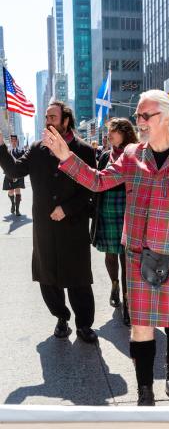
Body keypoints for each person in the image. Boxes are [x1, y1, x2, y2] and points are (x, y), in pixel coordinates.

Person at [43, 90, 169, 406]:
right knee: (141, 326)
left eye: (146, 116)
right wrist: (66, 158)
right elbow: (99, 180)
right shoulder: (131, 155)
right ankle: (145, 393)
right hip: (139, 256)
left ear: (167, 119)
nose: (139, 122)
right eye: (138, 116)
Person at [0, 101, 97, 343]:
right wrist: (1, 145)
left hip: (73, 226)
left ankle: (84, 324)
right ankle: (61, 318)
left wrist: (67, 208)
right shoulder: (36, 149)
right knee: (48, 279)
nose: (48, 121)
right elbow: (13, 171)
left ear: (65, 121)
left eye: (53, 117)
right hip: (44, 229)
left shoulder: (84, 150)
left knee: (79, 280)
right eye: (46, 117)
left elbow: (91, 189)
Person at [91, 118, 138, 326]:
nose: (108, 135)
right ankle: (114, 284)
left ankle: (128, 302)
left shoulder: (136, 154)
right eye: (109, 132)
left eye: (113, 132)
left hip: (128, 210)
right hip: (108, 210)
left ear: (125, 133)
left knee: (127, 258)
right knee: (111, 254)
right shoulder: (104, 156)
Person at [2, 134, 25, 216]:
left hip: (18, 173)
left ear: (17, 141)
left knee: (17, 190)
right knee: (11, 192)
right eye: (12, 140)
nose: (14, 142)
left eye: (15, 140)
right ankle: (13, 203)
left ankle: (17, 210)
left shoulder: (21, 150)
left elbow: (24, 161)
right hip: (9, 173)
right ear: (11, 141)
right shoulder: (7, 150)